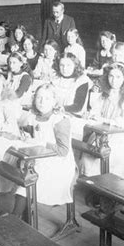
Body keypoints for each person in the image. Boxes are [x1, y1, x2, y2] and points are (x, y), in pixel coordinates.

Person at [80, 63, 124, 188]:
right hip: (104, 132)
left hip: (123, 135)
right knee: (90, 156)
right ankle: (96, 187)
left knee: (115, 157)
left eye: (118, 77)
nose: (114, 80)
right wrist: (91, 115)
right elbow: (96, 111)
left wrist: (105, 121)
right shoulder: (105, 93)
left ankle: (113, 189)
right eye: (111, 76)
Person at [20, 83, 78, 238]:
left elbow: (63, 150)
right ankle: (22, 217)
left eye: (47, 98)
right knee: (17, 172)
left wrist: (41, 143)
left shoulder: (59, 120)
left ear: (54, 101)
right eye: (38, 97)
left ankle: (25, 223)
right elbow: (34, 134)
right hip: (41, 158)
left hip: (58, 164)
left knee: (27, 182)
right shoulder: (34, 116)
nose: (41, 101)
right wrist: (26, 135)